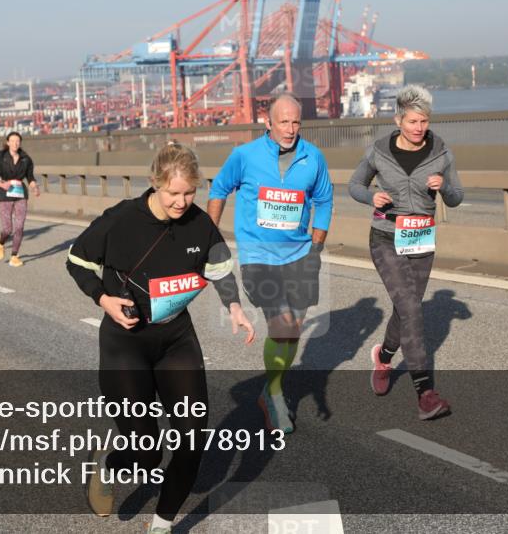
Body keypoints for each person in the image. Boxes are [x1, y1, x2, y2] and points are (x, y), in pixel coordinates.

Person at [66, 142, 255, 534]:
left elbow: (219, 268)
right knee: (147, 454)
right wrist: (103, 298)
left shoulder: (199, 223)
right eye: (173, 193)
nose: (182, 202)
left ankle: (162, 525)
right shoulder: (121, 220)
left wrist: (234, 306)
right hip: (125, 343)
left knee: (191, 443)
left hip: (176, 340)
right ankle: (108, 465)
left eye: (189, 193)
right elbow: (77, 260)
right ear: (155, 183)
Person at [207, 93, 333, 434]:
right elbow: (219, 190)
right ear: (268, 122)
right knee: (282, 325)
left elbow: (324, 201)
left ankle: (271, 386)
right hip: (258, 256)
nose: (290, 129)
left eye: (296, 122)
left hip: (300, 254)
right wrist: (209, 237)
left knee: (293, 329)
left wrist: (316, 248)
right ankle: (274, 393)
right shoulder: (244, 155)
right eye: (283, 122)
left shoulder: (313, 157)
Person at [349, 86, 464, 421]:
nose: (419, 128)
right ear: (398, 121)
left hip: (421, 241)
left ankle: (384, 358)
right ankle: (425, 394)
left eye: (424, 121)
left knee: (406, 309)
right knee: (412, 309)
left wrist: (444, 187)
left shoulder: (441, 153)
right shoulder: (378, 152)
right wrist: (371, 197)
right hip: (386, 237)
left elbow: (457, 197)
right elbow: (355, 185)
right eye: (413, 121)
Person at [0, 131, 40, 267]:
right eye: (12, 141)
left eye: (17, 141)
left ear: (20, 143)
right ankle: (0, 242)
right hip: (5, 194)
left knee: (19, 227)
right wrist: (2, 185)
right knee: (7, 229)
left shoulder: (26, 159)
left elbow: (30, 177)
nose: (15, 143)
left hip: (20, 195)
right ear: (7, 142)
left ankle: (14, 256)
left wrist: (34, 187)